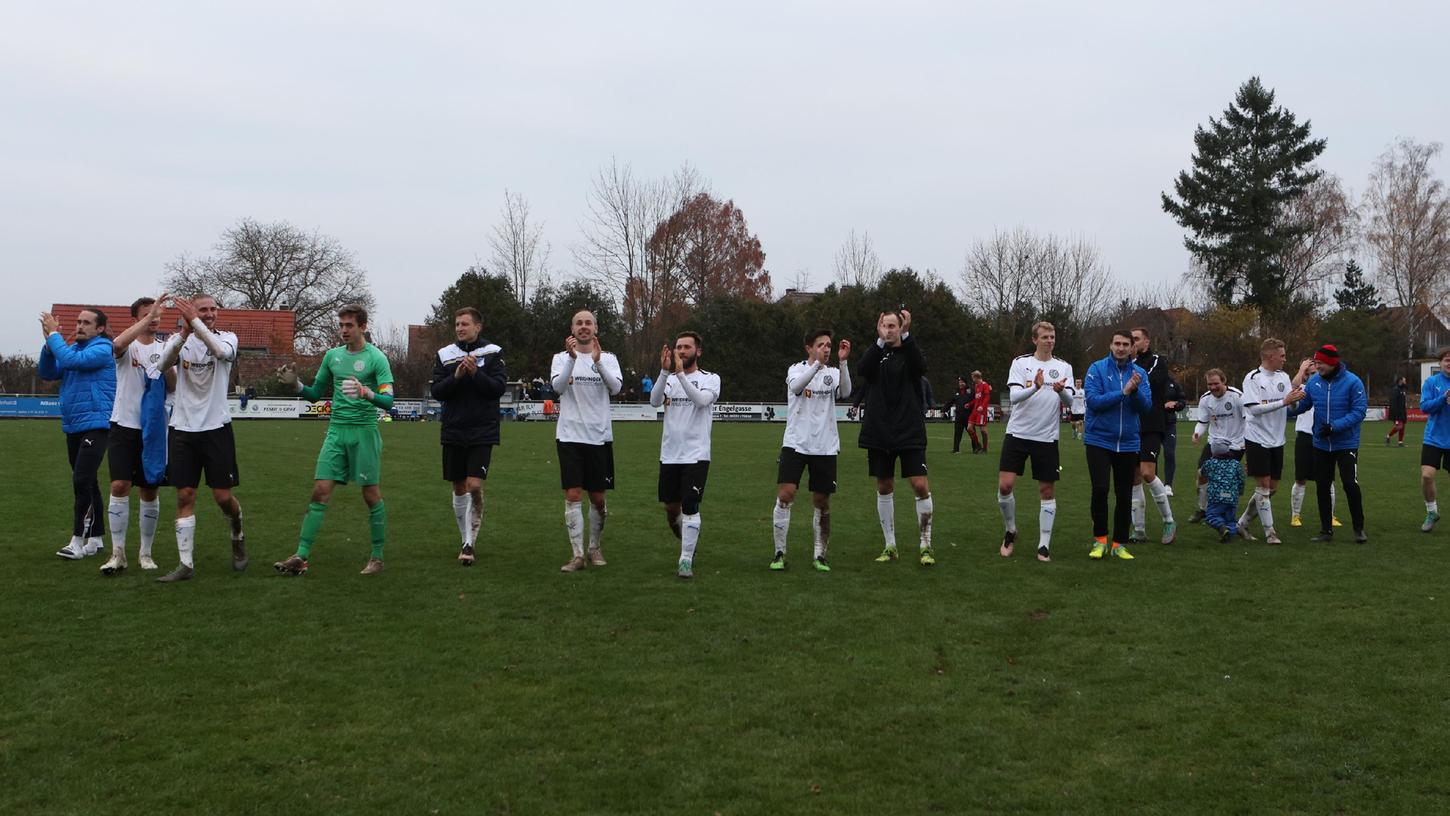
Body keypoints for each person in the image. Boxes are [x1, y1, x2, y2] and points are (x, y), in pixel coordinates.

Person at [272, 305, 395, 576]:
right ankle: (301, 556)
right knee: (320, 491)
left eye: (349, 325)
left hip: (364, 432)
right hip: (336, 432)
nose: (343, 330)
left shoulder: (377, 358)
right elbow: (316, 393)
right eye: (341, 325)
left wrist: (367, 393)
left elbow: (389, 401)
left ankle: (377, 557)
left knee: (370, 494)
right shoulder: (332, 357)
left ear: (362, 326)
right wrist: (296, 386)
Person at [155, 294, 246, 582]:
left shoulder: (229, 337)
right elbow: (161, 365)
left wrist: (193, 319)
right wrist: (184, 331)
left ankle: (237, 533)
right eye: (202, 310)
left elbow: (220, 352)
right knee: (185, 494)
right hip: (182, 428)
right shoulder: (180, 340)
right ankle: (186, 564)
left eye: (212, 309)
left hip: (216, 427)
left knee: (222, 497)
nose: (208, 314)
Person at [429, 307, 505, 566]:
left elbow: (497, 389)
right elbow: (438, 391)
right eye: (457, 324)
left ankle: (471, 541)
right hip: (453, 429)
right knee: (459, 486)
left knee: (474, 485)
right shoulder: (445, 355)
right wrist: (458, 375)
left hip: (482, 429)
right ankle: (466, 541)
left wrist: (476, 373)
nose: (460, 328)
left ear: (478, 327)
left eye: (465, 324)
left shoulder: (493, 353)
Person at [101, 296, 172, 574]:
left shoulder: (165, 347)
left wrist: (168, 364)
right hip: (123, 425)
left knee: (149, 488)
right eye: (147, 314)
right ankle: (117, 553)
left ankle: (145, 552)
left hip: (153, 428)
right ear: (136, 318)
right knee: (119, 485)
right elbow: (116, 345)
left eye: (157, 314)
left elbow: (173, 385)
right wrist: (146, 316)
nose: (154, 318)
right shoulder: (127, 345)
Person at [858, 309, 935, 566]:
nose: (889, 330)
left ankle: (925, 545)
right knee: (884, 486)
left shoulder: (910, 353)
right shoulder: (876, 354)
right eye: (885, 325)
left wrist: (907, 336)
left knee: (920, 485)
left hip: (909, 430)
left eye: (893, 326)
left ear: (901, 327)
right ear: (879, 327)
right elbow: (863, 369)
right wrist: (879, 343)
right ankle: (890, 545)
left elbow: (920, 367)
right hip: (879, 431)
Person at [771, 329, 852, 572]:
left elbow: (846, 392)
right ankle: (779, 552)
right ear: (809, 348)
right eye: (821, 345)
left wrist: (844, 362)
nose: (826, 349)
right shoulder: (796, 370)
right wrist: (816, 366)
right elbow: (796, 387)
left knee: (821, 500)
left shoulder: (834, 373)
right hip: (796, 443)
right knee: (786, 494)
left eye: (829, 345)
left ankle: (820, 554)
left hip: (825, 446)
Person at [39, 307, 116, 561]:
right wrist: (49, 346)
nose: (80, 326)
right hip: (73, 424)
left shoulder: (103, 348)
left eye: (86, 322)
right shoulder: (72, 350)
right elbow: (48, 372)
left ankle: (76, 541)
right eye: (78, 321)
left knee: (81, 480)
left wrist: (54, 336)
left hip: (97, 422)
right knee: (89, 481)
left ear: (100, 329)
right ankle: (96, 538)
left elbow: (73, 364)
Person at [996, 321, 1074, 562]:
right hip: (1018, 433)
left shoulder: (1063, 367)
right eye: (1045, 337)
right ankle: (1010, 531)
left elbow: (1071, 402)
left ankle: (1043, 545)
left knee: (1046, 490)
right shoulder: (1021, 363)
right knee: (1005, 486)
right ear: (1034, 339)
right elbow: (1015, 396)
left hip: (1046, 436)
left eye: (1052, 336)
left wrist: (1060, 390)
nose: (1049, 340)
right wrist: (1036, 387)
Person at [551, 310, 623, 572]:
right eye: (579, 323)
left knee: (598, 499)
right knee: (572, 493)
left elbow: (615, 388)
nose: (584, 327)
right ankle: (578, 554)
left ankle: (594, 546)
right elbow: (558, 388)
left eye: (588, 323)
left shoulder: (609, 358)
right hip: (569, 435)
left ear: (596, 328)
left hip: (599, 436)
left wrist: (598, 362)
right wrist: (572, 360)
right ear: (572, 329)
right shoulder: (560, 358)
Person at [649, 332, 721, 578]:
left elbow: (701, 401)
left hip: (696, 454)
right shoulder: (669, 380)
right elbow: (654, 401)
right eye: (678, 347)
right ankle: (689, 539)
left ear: (698, 351)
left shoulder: (710, 379)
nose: (681, 351)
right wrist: (664, 372)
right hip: (670, 453)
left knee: (690, 505)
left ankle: (685, 560)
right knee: (672, 510)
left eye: (686, 347)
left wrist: (680, 374)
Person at [1286, 344, 1368, 542]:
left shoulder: (1353, 382)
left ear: (1332, 363)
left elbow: (1359, 412)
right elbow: (1303, 406)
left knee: (1350, 484)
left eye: (1320, 363)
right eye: (1316, 363)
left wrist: (1335, 426)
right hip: (1321, 444)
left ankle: (1359, 528)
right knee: (1322, 486)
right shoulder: (1314, 382)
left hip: (1346, 443)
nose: (1318, 367)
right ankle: (1326, 531)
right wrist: (1283, 408)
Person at [1082, 329, 1152, 560]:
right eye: (1117, 344)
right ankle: (1100, 540)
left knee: (1124, 495)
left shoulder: (1139, 373)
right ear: (1110, 345)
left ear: (1133, 347)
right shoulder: (1097, 369)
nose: (1121, 348)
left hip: (1129, 442)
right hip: (1099, 440)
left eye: (1125, 344)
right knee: (1100, 489)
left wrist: (1133, 393)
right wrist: (1123, 392)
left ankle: (1119, 543)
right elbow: (1093, 402)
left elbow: (1146, 407)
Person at [1235, 339, 1307, 544]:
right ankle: (1270, 532)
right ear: (1270, 356)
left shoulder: (1283, 377)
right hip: (1256, 437)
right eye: (1282, 355)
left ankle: (1242, 523)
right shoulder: (1253, 378)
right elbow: (1254, 409)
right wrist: (1283, 402)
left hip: (1277, 439)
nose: (1285, 359)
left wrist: (1295, 401)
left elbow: (1288, 408)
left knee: (1272, 488)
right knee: (1264, 486)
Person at [1128, 327, 1178, 545]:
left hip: (1151, 423)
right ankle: (1139, 530)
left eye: (1136, 339)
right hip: (1130, 425)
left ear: (1146, 342)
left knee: (1148, 473)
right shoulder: (1122, 365)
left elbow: (1148, 382)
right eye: (1131, 340)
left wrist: (1131, 365)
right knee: (1134, 477)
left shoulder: (1157, 361)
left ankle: (1169, 520)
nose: (1132, 343)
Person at [1188, 370, 1246, 525]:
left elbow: (1249, 419)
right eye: (1210, 384)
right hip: (1214, 442)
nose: (1213, 387)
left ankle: (1225, 513)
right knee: (1202, 474)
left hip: (1235, 444)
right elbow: (1202, 421)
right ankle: (1203, 509)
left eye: (1216, 383)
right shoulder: (1205, 399)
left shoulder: (1237, 396)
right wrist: (1197, 433)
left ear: (1224, 381)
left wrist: (1246, 443)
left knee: (1224, 479)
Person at [1418, 348, 1450, 532]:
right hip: (1434, 438)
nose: (1449, 363)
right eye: (1447, 359)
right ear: (1440, 362)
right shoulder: (1432, 382)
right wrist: (1443, 398)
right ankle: (1432, 512)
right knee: (1426, 475)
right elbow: (1424, 407)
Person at [1203, 439, 1246, 541]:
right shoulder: (1235, 464)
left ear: (1213, 452)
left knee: (1211, 516)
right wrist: (1240, 491)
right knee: (1230, 519)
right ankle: (1229, 533)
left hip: (1216, 496)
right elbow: (1241, 479)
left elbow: (1203, 473)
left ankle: (1222, 527)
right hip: (1232, 496)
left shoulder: (1210, 463)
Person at [1161, 374, 1186, 493]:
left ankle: (1168, 485)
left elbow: (1182, 401)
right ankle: (1153, 483)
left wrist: (1176, 404)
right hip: (1152, 424)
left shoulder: (1173, 383)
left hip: (1169, 424)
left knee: (1169, 453)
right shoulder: (1147, 379)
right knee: (1151, 456)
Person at [945, 376, 973, 453]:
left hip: (969, 416)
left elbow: (975, 401)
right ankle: (956, 449)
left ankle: (976, 448)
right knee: (957, 433)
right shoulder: (956, 392)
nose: (960, 384)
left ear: (965, 383)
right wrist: (943, 410)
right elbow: (949, 402)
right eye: (959, 382)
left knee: (972, 433)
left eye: (962, 382)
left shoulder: (971, 391)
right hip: (959, 416)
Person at [967, 370, 992, 453]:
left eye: (973, 378)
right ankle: (978, 445)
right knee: (969, 428)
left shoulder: (985, 385)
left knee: (983, 430)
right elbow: (976, 399)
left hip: (981, 411)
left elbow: (987, 397)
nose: (972, 379)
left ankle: (985, 449)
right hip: (975, 410)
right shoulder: (976, 386)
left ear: (976, 377)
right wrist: (970, 404)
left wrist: (982, 406)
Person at [1387, 376, 1408, 447]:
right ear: (1400, 381)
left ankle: (1400, 442)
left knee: (1403, 427)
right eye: (1404, 380)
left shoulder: (1403, 389)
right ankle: (1388, 435)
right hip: (1397, 412)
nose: (1405, 382)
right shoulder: (1396, 390)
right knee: (1399, 426)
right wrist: (1394, 413)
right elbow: (1393, 402)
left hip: (1403, 411)